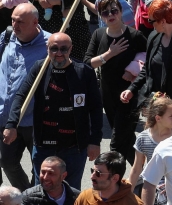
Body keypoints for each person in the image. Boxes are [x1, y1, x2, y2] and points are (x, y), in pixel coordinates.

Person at [4, 31, 101, 189]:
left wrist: (94, 141)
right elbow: (21, 96)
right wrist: (11, 124)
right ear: (47, 49)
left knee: (71, 190)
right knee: (42, 189)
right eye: (54, 49)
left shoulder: (84, 72)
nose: (59, 53)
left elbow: (96, 108)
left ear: (71, 49)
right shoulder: (39, 68)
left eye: (64, 49)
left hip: (74, 146)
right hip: (44, 145)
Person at [83, 0, 146, 164]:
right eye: (105, 13)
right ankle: (140, 176)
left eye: (114, 10)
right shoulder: (98, 34)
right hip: (108, 94)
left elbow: (148, 62)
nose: (110, 15)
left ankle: (112, 180)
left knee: (117, 142)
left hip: (130, 95)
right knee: (126, 139)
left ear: (120, 11)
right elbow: (87, 63)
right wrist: (109, 54)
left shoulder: (135, 36)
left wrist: (133, 72)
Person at [122, 0, 172, 114]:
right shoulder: (153, 37)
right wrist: (132, 89)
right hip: (155, 105)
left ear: (163, 22)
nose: (150, 23)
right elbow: (146, 69)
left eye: (151, 21)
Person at [0, 3, 49, 189]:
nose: (15, 25)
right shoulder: (6, 37)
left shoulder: (50, 44)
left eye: (20, 21)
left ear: (35, 22)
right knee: (7, 162)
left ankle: (37, 202)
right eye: (13, 20)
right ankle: (25, 196)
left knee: (40, 168)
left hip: (35, 119)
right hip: (6, 117)